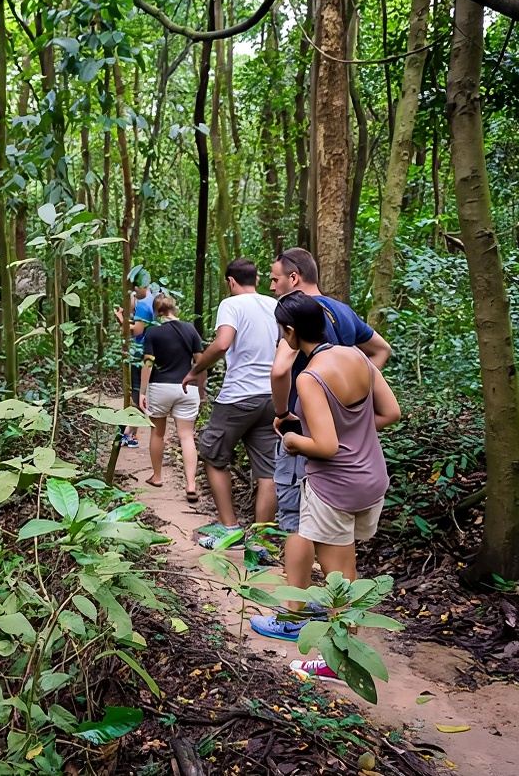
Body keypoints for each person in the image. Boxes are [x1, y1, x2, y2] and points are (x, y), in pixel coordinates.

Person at [250, 293, 401, 675]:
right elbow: (391, 412)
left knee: (339, 579)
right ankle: (342, 649)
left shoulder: (311, 375)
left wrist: (291, 439)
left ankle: (339, 660)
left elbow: (327, 446)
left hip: (334, 486)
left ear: (289, 332)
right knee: (348, 569)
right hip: (371, 478)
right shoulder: (357, 357)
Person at [181, 259, 279, 547]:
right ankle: (261, 542)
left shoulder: (232, 304)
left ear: (231, 281)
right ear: (258, 279)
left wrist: (196, 369)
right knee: (268, 471)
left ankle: (230, 528)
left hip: (239, 395)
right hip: (272, 396)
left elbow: (223, 343)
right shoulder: (275, 306)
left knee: (212, 456)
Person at [138, 294, 204, 497]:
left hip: (160, 387)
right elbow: (201, 363)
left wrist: (142, 392)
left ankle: (157, 476)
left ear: (157, 312)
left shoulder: (153, 332)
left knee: (158, 432)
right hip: (187, 388)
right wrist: (201, 390)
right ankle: (191, 484)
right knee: (186, 435)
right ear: (174, 308)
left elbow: (148, 364)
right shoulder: (190, 329)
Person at [114, 279, 155, 448]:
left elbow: (137, 330)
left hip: (142, 354)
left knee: (138, 395)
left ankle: (126, 433)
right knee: (138, 394)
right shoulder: (150, 302)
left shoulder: (144, 306)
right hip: (146, 353)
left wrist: (121, 319)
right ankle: (132, 434)